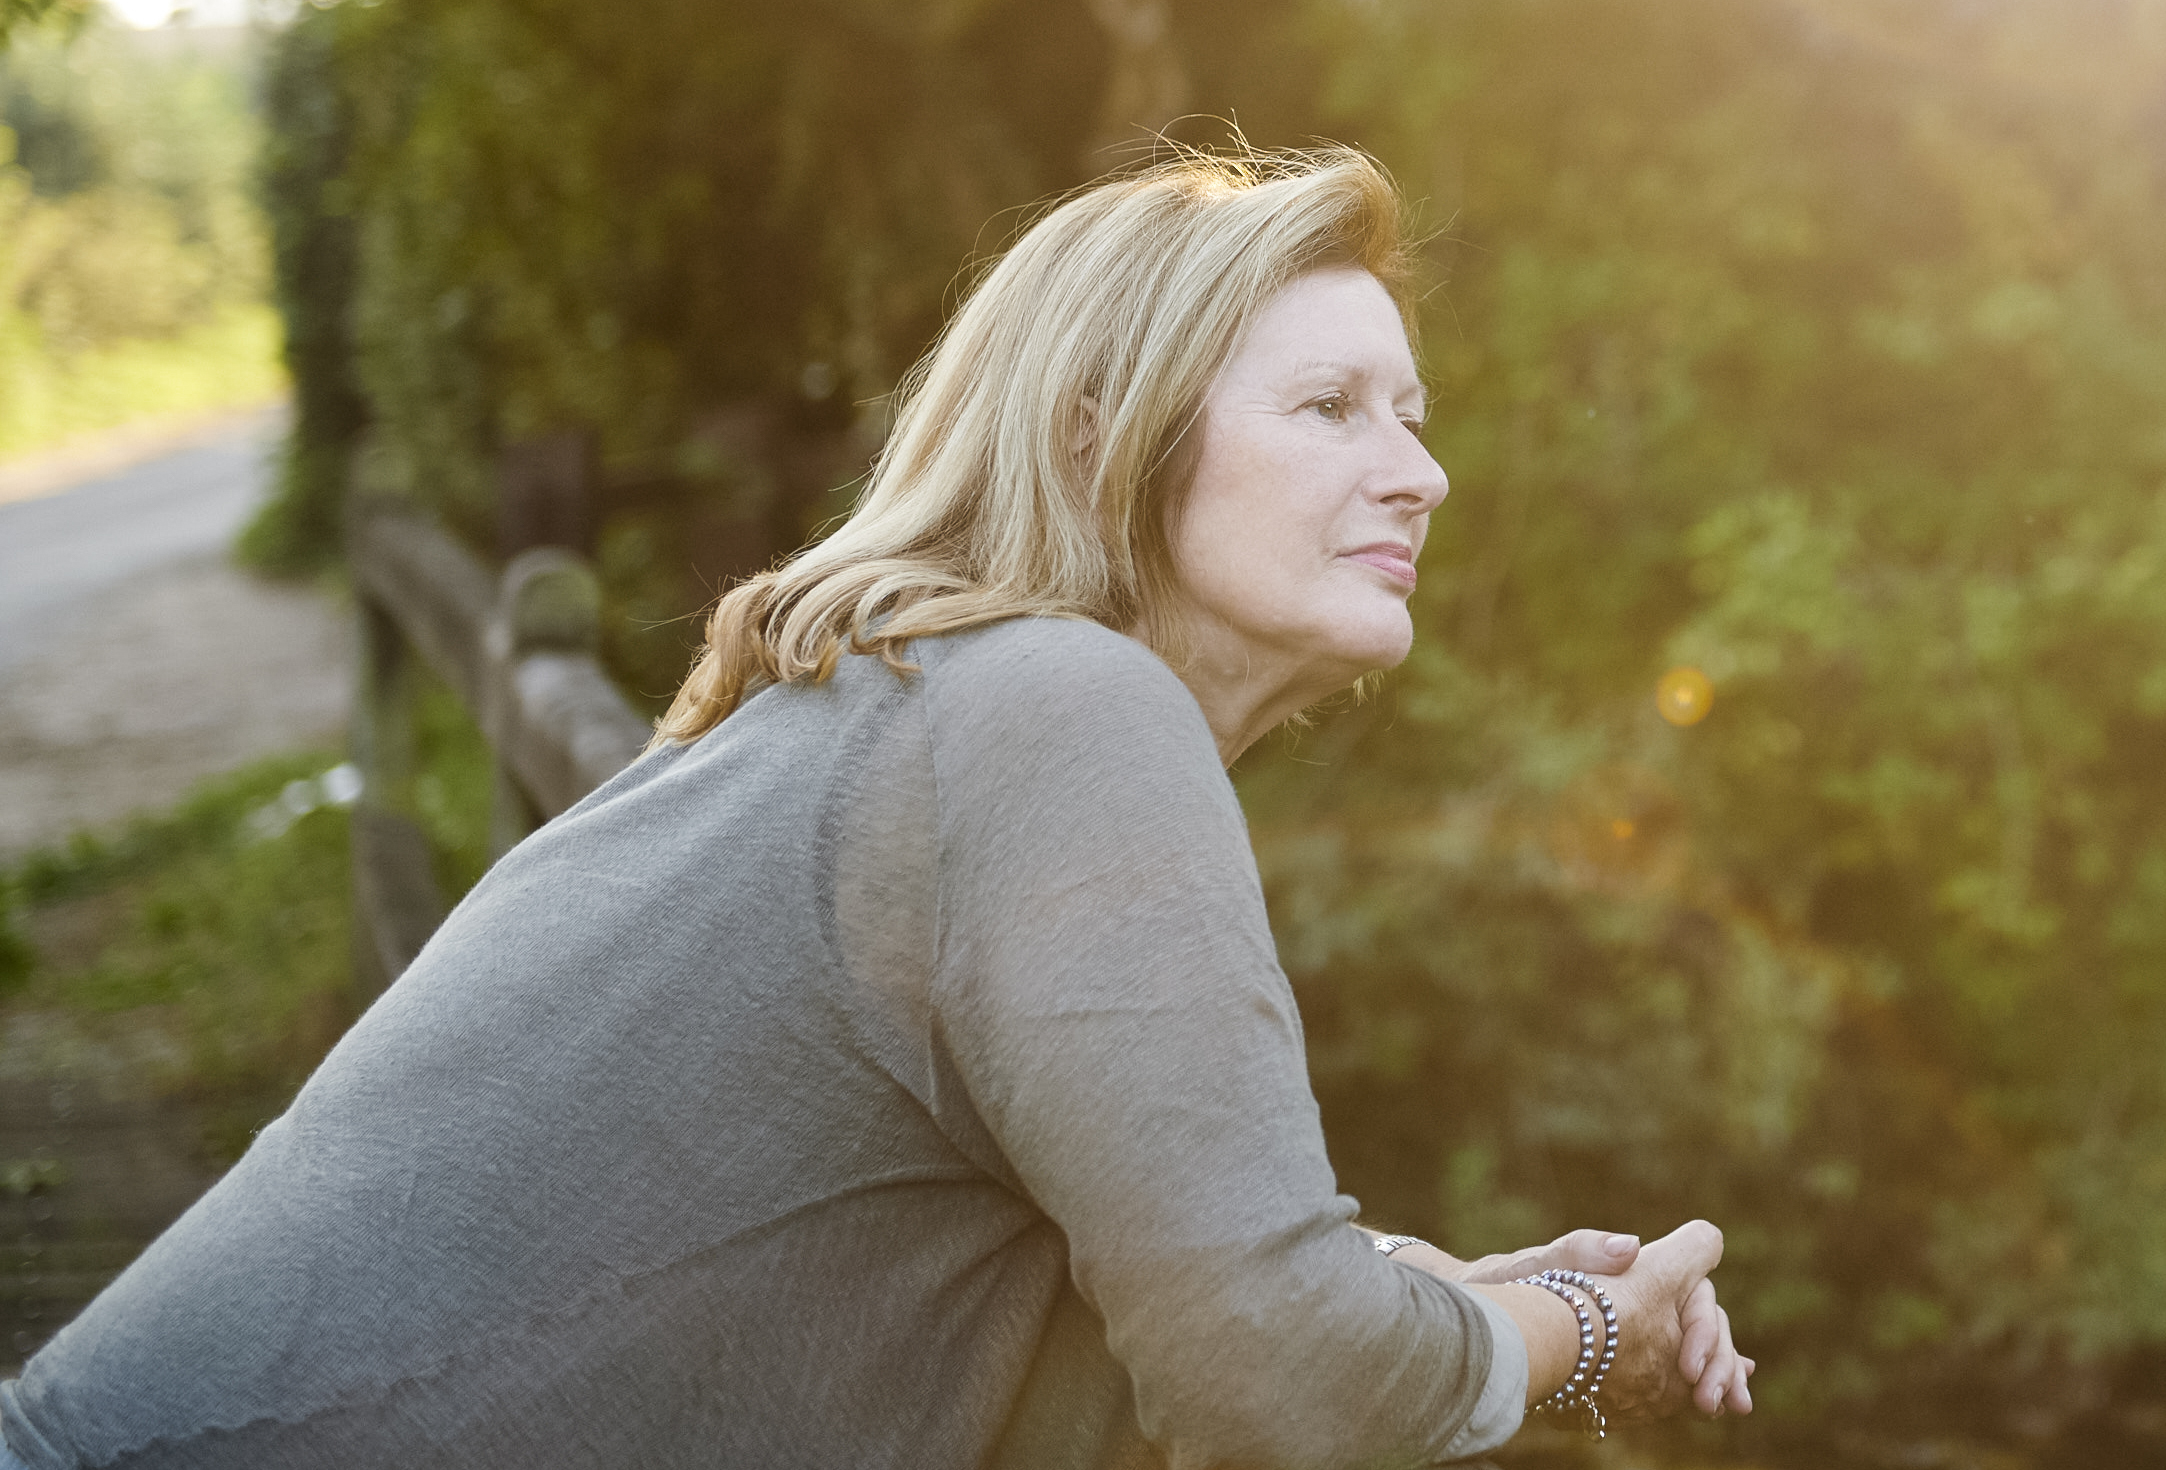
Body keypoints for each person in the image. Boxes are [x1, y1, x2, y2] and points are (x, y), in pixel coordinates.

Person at [0, 148, 1751, 1469]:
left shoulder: (928, 705)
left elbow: (1173, 1249)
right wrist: (1583, 1329)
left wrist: (1477, 1293)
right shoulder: (1061, 711)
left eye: (1415, 411)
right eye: (1330, 405)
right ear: (1094, 441)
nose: (1422, 465)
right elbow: (1268, 1368)